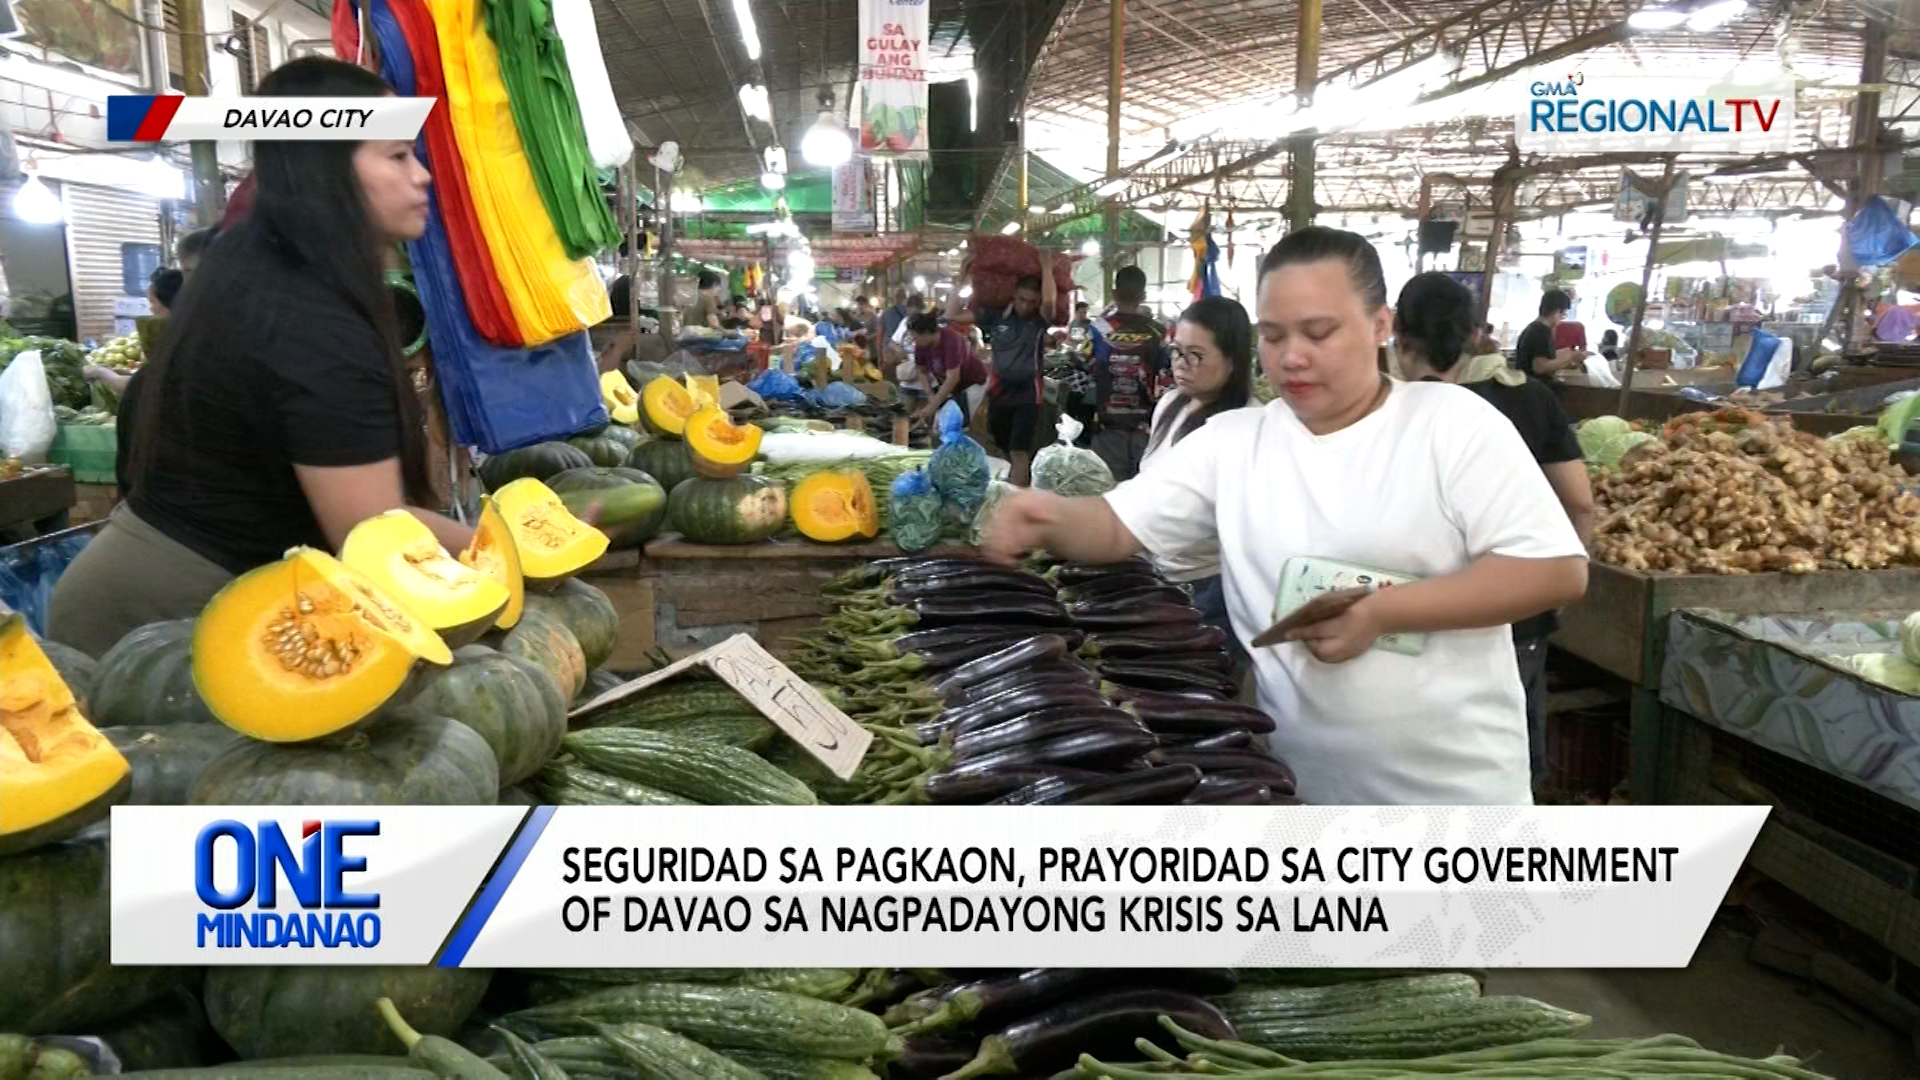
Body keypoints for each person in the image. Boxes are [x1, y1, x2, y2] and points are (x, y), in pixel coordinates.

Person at [981, 227, 1587, 805]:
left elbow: (1554, 570)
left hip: (1456, 799)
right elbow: (1117, 526)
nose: (1292, 357)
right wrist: (1046, 514)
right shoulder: (1234, 441)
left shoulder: (1450, 423)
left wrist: (1382, 612)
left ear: (1381, 325)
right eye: (1272, 336)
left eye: (1319, 333)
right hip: (1297, 787)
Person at [48, 57, 463, 658]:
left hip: (166, 587)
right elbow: (370, 532)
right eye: (398, 155)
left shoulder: (257, 260)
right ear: (326, 167)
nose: (421, 176)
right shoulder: (310, 318)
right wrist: (493, 547)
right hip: (161, 614)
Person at [1393, 272, 1595, 787]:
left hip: (1407, 618)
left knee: (1413, 764)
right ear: (1474, 335)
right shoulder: (1529, 399)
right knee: (1504, 758)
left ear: (1398, 335)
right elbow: (1580, 501)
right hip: (1515, 613)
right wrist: (1558, 584)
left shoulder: (1381, 412)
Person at [1141, 295, 1253, 669]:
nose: (1180, 364)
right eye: (1176, 351)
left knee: (1204, 685)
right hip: (1160, 578)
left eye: (1195, 355)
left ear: (1232, 360)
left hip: (1211, 589)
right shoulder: (1170, 404)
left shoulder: (1248, 425)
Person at [952, 255, 1055, 486]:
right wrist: (961, 277)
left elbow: (1049, 302)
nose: (1025, 305)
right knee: (1002, 445)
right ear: (1014, 294)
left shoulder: (1039, 322)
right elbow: (953, 314)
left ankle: (1017, 498)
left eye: (1032, 301)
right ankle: (1015, 488)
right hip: (999, 394)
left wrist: (1047, 267)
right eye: (1022, 299)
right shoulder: (994, 316)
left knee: (1019, 451)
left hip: (1028, 396)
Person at [1085, 266, 1169, 482]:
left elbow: (1085, 365)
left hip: (1108, 423)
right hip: (1146, 424)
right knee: (1144, 489)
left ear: (1114, 293)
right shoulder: (1158, 331)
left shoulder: (1099, 328)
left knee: (1111, 490)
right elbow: (1166, 375)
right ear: (1143, 296)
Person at [908, 311, 987, 431]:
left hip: (972, 383)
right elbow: (921, 370)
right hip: (952, 386)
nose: (914, 341)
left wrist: (930, 408)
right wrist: (930, 395)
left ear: (927, 333)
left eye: (915, 337)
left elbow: (953, 378)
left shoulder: (952, 340)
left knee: (955, 425)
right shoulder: (921, 344)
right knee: (939, 426)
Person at [1514, 289, 1582, 379]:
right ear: (1557, 312)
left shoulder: (1535, 328)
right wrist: (1568, 358)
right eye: (1563, 315)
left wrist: (1566, 354)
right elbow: (1539, 367)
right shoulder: (1540, 331)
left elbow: (1542, 355)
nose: (1562, 319)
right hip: (1534, 384)